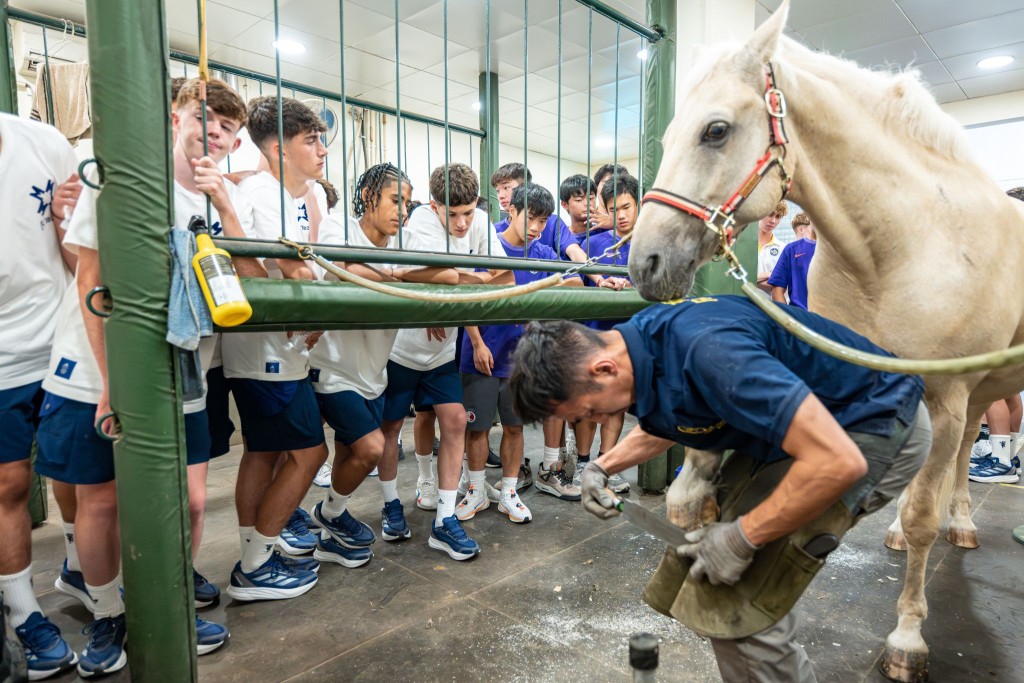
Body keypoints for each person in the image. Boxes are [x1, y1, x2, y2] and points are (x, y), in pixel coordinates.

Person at [509, 295, 930, 683]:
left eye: (591, 410)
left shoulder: (711, 351)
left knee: (739, 612)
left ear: (603, 369)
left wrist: (743, 537)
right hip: (799, 435)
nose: (598, 421)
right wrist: (601, 466)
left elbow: (838, 462)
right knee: (709, 582)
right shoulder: (642, 341)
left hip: (871, 425)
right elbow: (678, 417)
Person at [221, 96, 329, 601]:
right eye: (311, 140)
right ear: (278, 149)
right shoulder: (264, 196)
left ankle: (254, 553)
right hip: (266, 349)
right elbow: (296, 271)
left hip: (270, 347)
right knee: (310, 453)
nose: (322, 149)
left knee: (263, 454)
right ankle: (255, 563)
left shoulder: (287, 197)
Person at [380, 162, 495, 561]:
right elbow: (417, 273)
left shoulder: (478, 220)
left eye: (468, 212)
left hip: (442, 350)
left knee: (455, 421)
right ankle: (390, 502)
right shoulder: (422, 223)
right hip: (403, 351)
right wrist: (445, 285)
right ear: (434, 205)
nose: (463, 224)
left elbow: (504, 275)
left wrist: (447, 288)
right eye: (453, 215)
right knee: (391, 426)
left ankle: (445, 520)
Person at [0, 112, 80, 680]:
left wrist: (68, 219)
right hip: (1, 357)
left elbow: (82, 235)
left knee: (76, 471)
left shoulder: (41, 140)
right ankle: (22, 610)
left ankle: (80, 567)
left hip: (61, 340)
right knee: (10, 483)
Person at [310, 163, 412, 567]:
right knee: (372, 447)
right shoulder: (340, 228)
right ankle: (329, 514)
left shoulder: (400, 251)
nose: (402, 211)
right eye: (394, 200)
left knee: (347, 452)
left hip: (373, 373)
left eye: (407, 203)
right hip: (332, 368)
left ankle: (329, 537)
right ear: (369, 196)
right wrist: (394, 277)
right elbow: (343, 267)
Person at [460, 184, 584, 515]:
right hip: (483, 352)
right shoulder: (489, 245)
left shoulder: (541, 253)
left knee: (514, 427)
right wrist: (475, 342)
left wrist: (549, 289)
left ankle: (510, 492)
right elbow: (465, 296)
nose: (536, 229)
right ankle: (475, 490)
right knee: (477, 428)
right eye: (531, 218)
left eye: (543, 222)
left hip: (519, 359)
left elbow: (575, 282)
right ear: (512, 211)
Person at [572, 174, 640, 494]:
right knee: (589, 404)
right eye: (614, 209)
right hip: (592, 339)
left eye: (626, 207)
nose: (621, 215)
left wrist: (633, 287)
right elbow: (575, 284)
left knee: (616, 405)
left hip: (628, 341)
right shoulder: (592, 243)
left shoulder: (648, 243)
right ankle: (583, 463)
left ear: (639, 204)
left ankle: (606, 463)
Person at [768, 212, 816, 310]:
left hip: (831, 321)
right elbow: (777, 290)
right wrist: (788, 319)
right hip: (800, 317)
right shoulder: (791, 249)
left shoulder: (839, 251)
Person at [756, 201, 788, 293]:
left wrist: (747, 279)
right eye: (770, 214)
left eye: (778, 217)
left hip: (768, 305)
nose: (773, 221)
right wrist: (768, 274)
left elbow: (779, 287)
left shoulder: (784, 249)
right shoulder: (742, 245)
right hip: (743, 304)